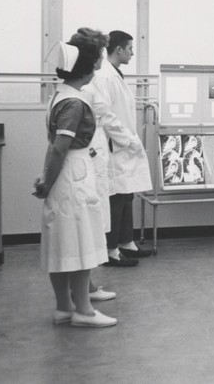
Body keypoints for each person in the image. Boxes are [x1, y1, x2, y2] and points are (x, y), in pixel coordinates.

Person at [34, 34, 117, 328]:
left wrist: (46, 177)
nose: (98, 67)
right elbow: (60, 147)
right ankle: (84, 310)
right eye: (96, 61)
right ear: (87, 67)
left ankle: (63, 307)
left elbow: (53, 147)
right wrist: (49, 178)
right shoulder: (75, 102)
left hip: (63, 174)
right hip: (74, 174)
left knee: (61, 243)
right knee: (80, 245)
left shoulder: (58, 96)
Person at [86, 31, 153, 267]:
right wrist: (127, 139)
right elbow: (105, 115)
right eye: (130, 48)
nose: (132, 53)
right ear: (118, 50)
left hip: (123, 143)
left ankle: (126, 243)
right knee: (116, 197)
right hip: (115, 144)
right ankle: (111, 250)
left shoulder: (114, 74)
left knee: (126, 194)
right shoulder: (105, 77)